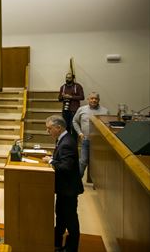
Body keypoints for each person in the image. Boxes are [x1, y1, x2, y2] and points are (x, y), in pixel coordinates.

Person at [42, 115, 84, 252]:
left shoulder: (66, 143)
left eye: (49, 129)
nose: (48, 132)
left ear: (58, 128)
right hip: (63, 189)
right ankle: (57, 244)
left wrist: (50, 161)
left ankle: (71, 249)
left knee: (70, 220)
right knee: (60, 216)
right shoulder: (63, 139)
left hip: (68, 189)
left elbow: (65, 167)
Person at [72, 92, 108, 182]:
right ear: (88, 99)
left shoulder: (105, 111)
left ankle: (99, 183)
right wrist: (79, 133)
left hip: (100, 142)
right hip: (86, 140)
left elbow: (108, 126)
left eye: (96, 98)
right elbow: (74, 121)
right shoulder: (81, 109)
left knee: (98, 163)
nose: (94, 100)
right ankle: (76, 181)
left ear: (98, 100)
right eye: (92, 98)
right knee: (83, 161)